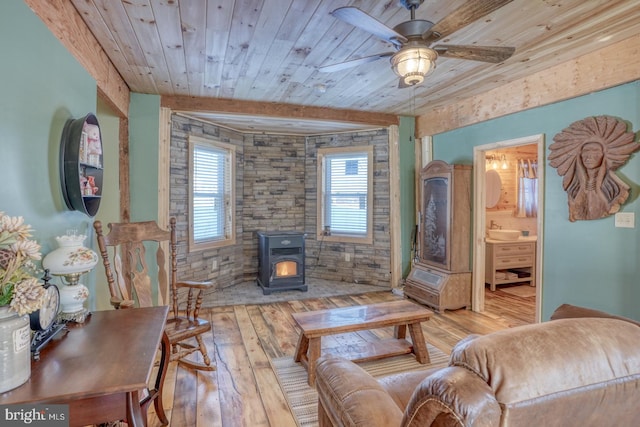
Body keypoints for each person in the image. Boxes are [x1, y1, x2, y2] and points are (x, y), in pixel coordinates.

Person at [549, 116, 639, 221]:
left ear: (604, 154)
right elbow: (575, 207)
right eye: (586, 152)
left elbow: (611, 203)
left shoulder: (618, 189)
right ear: (580, 155)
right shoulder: (574, 189)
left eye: (595, 151)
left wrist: (598, 183)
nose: (589, 156)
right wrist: (584, 184)